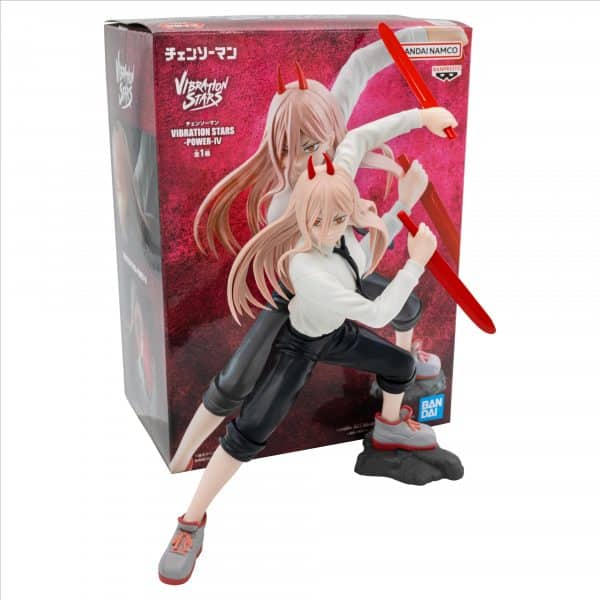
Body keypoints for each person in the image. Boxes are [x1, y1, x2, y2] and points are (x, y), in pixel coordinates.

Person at [159, 108, 445, 584]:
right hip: (301, 343)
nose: (333, 227)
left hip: (336, 333)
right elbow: (376, 312)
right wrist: (414, 262)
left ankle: (388, 430)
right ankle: (191, 520)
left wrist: (422, 116)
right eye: (322, 221)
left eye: (340, 216)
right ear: (302, 216)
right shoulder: (306, 267)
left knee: (400, 366)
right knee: (250, 427)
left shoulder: (337, 203)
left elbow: (360, 136)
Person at [171, 27, 462, 472]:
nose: (313, 156)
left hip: (342, 261)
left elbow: (362, 63)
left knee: (406, 309)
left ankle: (399, 394)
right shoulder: (285, 204)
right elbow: (321, 260)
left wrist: (430, 36)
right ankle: (182, 457)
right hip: (300, 286)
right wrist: (388, 213)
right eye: (295, 148)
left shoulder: (330, 132)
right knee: (237, 379)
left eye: (318, 143)